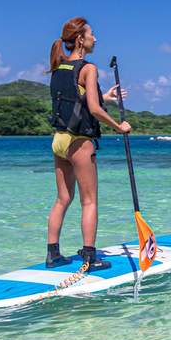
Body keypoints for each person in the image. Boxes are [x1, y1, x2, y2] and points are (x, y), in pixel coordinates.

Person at [45, 17, 131, 271]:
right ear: (81, 39)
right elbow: (93, 109)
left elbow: (76, 99)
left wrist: (106, 96)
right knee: (89, 201)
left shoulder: (59, 67)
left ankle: (53, 254)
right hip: (79, 142)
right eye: (92, 34)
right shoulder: (88, 68)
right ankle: (90, 257)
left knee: (62, 199)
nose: (96, 38)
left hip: (59, 141)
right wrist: (119, 127)